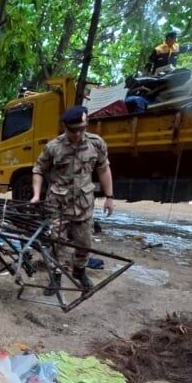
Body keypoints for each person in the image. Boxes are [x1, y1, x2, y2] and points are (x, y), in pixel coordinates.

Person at [30, 106, 114, 293]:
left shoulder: (96, 144)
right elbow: (38, 170)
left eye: (82, 128)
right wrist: (36, 195)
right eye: (73, 130)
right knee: (56, 243)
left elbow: (103, 169)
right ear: (64, 127)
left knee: (84, 243)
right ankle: (55, 278)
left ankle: (79, 271)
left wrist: (109, 197)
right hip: (58, 205)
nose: (77, 133)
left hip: (83, 205)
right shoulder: (54, 147)